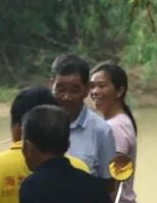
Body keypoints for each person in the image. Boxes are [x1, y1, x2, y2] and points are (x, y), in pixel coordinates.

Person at [90, 61, 143, 203]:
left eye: (102, 86)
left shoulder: (115, 128)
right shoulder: (117, 123)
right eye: (92, 86)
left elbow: (113, 180)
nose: (95, 91)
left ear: (119, 91)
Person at [50, 53, 116, 181]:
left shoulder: (101, 131)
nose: (67, 97)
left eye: (74, 90)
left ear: (87, 89)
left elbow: (109, 184)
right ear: (51, 85)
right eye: (61, 89)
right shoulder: (38, 125)